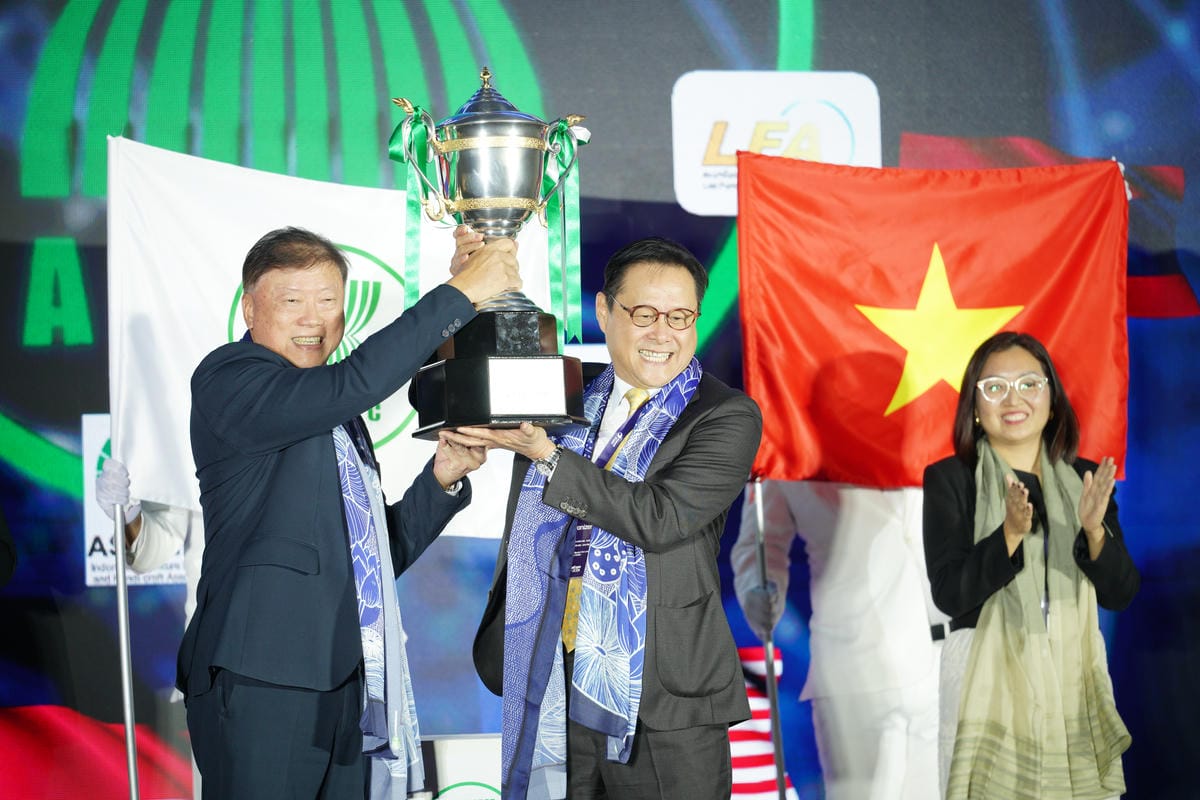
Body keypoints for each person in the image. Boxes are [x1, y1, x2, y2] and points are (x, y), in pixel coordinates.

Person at [178, 226, 519, 799]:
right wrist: (459, 293)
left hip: (349, 684)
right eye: (292, 300)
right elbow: (357, 380)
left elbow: (373, 558)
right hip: (262, 677)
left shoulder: (337, 416)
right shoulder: (230, 377)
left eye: (328, 300)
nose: (313, 319)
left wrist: (442, 478)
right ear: (250, 308)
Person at [447, 236, 763, 799]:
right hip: (554, 676)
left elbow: (660, 518)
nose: (663, 333)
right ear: (604, 310)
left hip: (663, 696)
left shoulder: (725, 415)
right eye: (644, 314)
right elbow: (466, 374)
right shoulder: (564, 394)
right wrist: (467, 291)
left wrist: (547, 455)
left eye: (680, 316)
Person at [923, 331, 1139, 800]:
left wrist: (1094, 531)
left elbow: (1120, 592)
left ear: (1052, 399)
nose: (1013, 398)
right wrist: (1008, 536)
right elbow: (950, 594)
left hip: (1071, 676)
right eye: (995, 388)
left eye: (1028, 384)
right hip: (983, 676)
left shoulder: (1084, 479)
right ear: (974, 407)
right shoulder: (950, 480)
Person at [732, 479, 946, 800]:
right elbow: (760, 543)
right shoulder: (785, 458)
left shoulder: (918, 450)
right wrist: (758, 590)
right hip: (844, 662)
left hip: (932, 656)